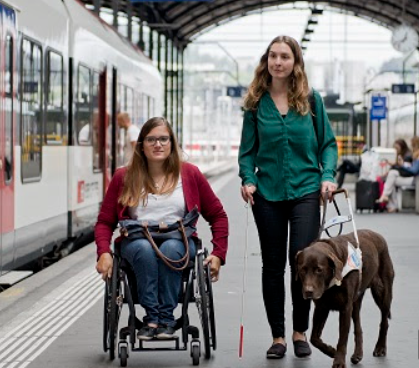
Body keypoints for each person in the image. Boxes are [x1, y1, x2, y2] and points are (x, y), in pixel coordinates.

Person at [238, 35, 338, 359]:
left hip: (306, 190)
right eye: (273, 56)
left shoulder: (311, 100)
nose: (278, 62)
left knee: (303, 262)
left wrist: (327, 177)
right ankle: (278, 336)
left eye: (285, 56)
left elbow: (328, 145)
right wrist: (248, 180)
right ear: (266, 60)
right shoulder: (255, 103)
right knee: (272, 265)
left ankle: (299, 332)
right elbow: (247, 153)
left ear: (295, 62)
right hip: (267, 194)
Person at [95, 117, 229, 340]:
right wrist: (104, 253)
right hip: (136, 241)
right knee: (144, 250)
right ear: (141, 145)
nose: (158, 144)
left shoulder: (190, 174)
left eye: (164, 139)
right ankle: (153, 318)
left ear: (172, 143)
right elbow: (104, 222)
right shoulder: (123, 177)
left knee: (171, 250)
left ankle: (165, 319)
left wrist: (218, 254)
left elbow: (218, 216)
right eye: (151, 139)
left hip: (178, 240)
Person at [377, 136, 419, 212]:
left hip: (413, 179)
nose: (411, 147)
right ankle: (389, 201)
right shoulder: (409, 154)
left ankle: (390, 202)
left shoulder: (412, 155)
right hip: (410, 177)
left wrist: (402, 165)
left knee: (391, 177)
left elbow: (414, 170)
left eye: (413, 145)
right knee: (391, 178)